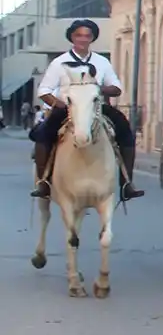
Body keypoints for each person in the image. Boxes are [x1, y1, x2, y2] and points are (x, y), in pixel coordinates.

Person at [30, 19, 144, 200]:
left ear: (92, 38)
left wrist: (99, 88)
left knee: (125, 130)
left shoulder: (102, 62)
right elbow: (44, 91)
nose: (83, 39)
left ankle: (126, 183)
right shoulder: (59, 63)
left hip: (97, 107)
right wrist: (60, 104)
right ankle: (44, 182)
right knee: (43, 133)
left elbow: (116, 87)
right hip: (68, 108)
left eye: (87, 36)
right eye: (78, 35)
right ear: (72, 37)